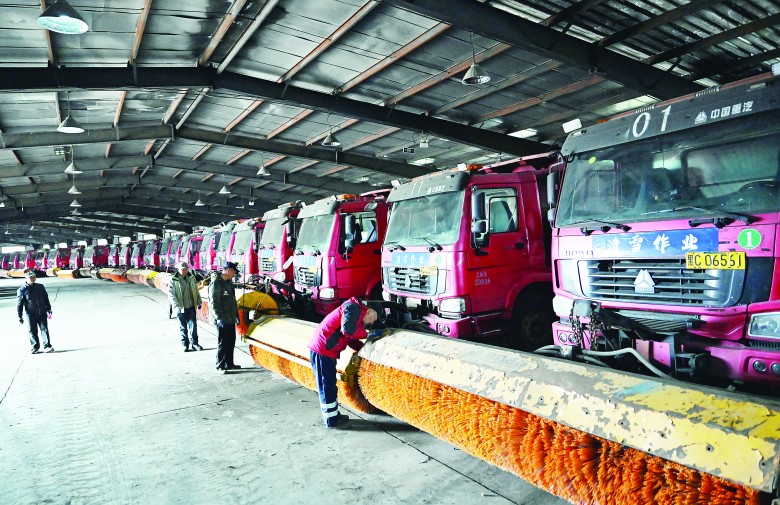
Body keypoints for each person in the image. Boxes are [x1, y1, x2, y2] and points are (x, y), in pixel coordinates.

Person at [307, 297, 378, 430]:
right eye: (371, 321)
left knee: (330, 385)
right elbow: (348, 331)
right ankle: (331, 420)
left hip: (325, 350)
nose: (370, 324)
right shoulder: (353, 307)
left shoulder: (354, 313)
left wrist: (363, 351)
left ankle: (334, 416)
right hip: (322, 350)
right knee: (326, 386)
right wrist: (368, 335)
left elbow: (349, 339)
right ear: (368, 312)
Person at [209, 261, 240, 372]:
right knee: (223, 342)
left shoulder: (229, 283)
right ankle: (220, 365)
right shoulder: (216, 283)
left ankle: (229, 363)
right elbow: (213, 303)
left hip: (230, 318)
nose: (234, 274)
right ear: (229, 271)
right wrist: (218, 317)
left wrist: (236, 315)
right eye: (234, 272)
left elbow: (233, 301)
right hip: (222, 319)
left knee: (231, 341)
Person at [168, 261, 203, 352]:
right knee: (183, 328)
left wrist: (199, 301)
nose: (184, 271)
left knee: (193, 326)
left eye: (186, 269)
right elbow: (171, 294)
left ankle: (195, 344)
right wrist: (176, 306)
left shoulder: (191, 277)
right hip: (180, 308)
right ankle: (185, 344)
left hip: (191, 307)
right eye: (182, 269)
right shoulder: (174, 279)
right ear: (178, 269)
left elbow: (196, 290)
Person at [16, 270, 53, 354]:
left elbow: (45, 298)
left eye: (34, 277)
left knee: (44, 329)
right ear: (26, 278)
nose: (33, 279)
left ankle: (47, 346)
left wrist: (49, 308)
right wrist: (19, 316)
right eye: (31, 277)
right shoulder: (22, 290)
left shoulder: (40, 287)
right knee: (32, 331)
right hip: (30, 314)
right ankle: (35, 347)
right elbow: (19, 304)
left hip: (42, 312)